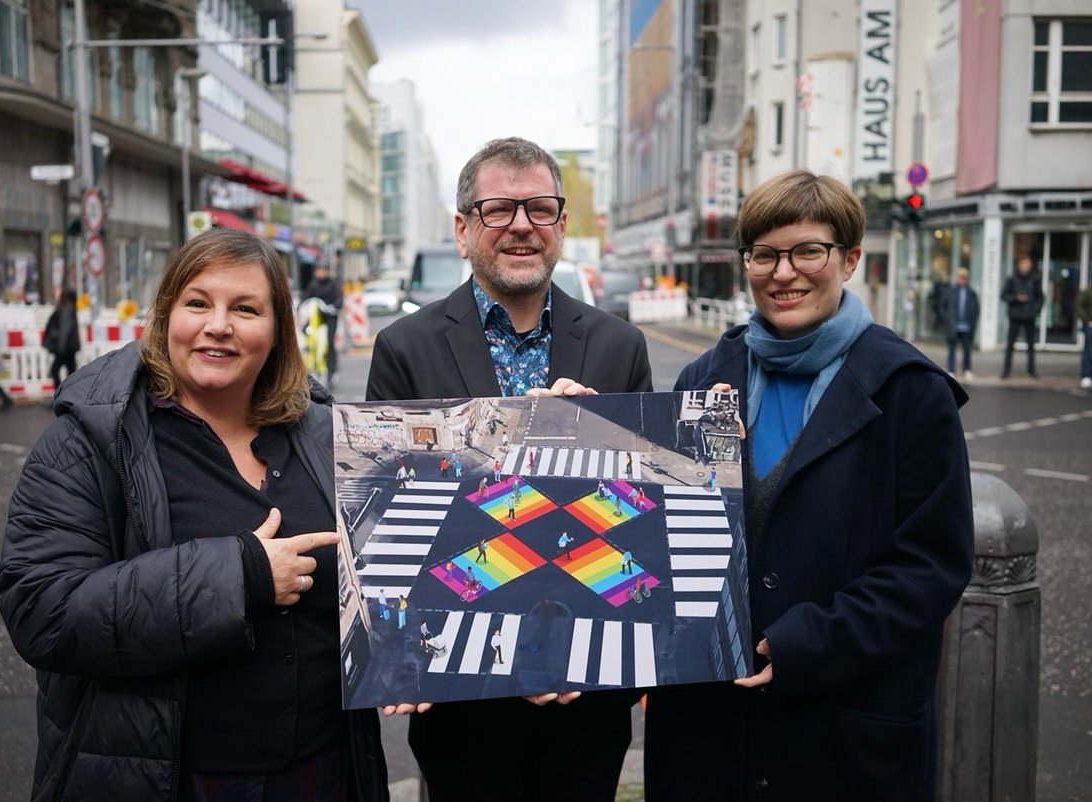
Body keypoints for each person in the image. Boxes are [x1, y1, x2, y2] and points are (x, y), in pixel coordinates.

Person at [0, 229, 388, 801]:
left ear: (278, 330)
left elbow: (419, 553)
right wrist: (240, 576)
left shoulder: (326, 436)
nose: (219, 325)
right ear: (165, 317)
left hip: (324, 770)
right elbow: (42, 609)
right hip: (169, 778)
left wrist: (554, 429)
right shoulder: (91, 442)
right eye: (198, 303)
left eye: (246, 309)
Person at [644, 170, 974, 801]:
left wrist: (807, 643)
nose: (783, 272)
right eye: (764, 254)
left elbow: (931, 565)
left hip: (845, 727)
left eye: (808, 251)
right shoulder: (703, 377)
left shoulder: (911, 390)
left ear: (849, 259)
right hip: (710, 730)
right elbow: (659, 535)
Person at [365, 136, 651, 802]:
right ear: (463, 228)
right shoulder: (403, 348)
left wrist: (596, 438)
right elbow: (389, 512)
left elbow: (642, 514)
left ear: (561, 226)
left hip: (585, 689)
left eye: (540, 209)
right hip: (461, 693)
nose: (522, 225)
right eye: (499, 209)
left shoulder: (619, 344)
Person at [1001, 255, 1044, 379]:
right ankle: (1006, 370)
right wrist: (1016, 298)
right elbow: (1003, 295)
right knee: (1010, 344)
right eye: (1023, 264)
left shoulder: (1035, 279)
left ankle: (1031, 370)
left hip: (1029, 316)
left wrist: (1035, 310)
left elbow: (1040, 297)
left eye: (1027, 264)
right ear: (1019, 265)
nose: (1025, 266)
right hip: (1015, 315)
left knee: (1031, 345)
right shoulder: (1012, 279)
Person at [304, 263, 343, 385]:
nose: (319, 273)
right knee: (310, 340)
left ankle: (331, 369)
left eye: (321, 270)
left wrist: (333, 307)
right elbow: (305, 298)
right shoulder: (313, 285)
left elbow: (339, 300)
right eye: (317, 270)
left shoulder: (333, 284)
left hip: (330, 319)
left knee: (329, 343)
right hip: (316, 320)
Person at [939, 267, 979, 379]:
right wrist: (947, 319)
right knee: (951, 349)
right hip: (953, 326)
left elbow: (976, 309)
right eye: (960, 277)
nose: (962, 280)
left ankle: (967, 369)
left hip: (966, 327)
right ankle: (951, 370)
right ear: (956, 278)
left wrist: (973, 322)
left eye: (965, 278)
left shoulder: (971, 293)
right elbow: (942, 307)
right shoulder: (950, 291)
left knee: (967, 350)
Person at [42, 287, 81, 391]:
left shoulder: (65, 309)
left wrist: (61, 347)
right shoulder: (70, 308)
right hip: (69, 347)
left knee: (55, 370)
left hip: (64, 348)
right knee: (71, 373)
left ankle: (61, 395)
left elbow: (65, 329)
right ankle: (70, 395)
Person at [1077, 283, 1092, 389]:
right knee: (1088, 351)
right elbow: (1079, 305)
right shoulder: (1088, 291)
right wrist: (1087, 320)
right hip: (1090, 326)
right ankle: (1086, 375)